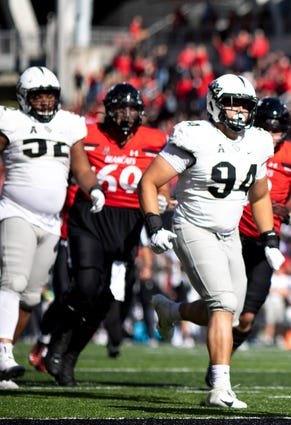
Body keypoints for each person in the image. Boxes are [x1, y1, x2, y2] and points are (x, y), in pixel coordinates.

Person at [138, 74, 286, 409]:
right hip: (193, 228)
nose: (238, 111)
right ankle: (219, 387)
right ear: (215, 103)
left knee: (230, 315)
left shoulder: (258, 142)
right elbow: (149, 181)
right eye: (232, 102)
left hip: (229, 233)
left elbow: (260, 196)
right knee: (223, 303)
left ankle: (171, 310)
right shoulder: (195, 136)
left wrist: (270, 239)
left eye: (244, 105)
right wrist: (154, 224)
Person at [151, 96, 291, 356]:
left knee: (244, 317)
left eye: (277, 130)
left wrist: (285, 218)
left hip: (264, 242)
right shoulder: (236, 143)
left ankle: (177, 314)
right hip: (231, 234)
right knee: (222, 304)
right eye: (266, 128)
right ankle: (219, 370)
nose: (272, 136)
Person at [42, 83, 168, 386]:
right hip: (90, 217)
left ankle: (70, 355)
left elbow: (164, 174)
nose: (126, 115)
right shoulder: (86, 132)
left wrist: (161, 196)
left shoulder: (155, 139)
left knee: (107, 299)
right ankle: (57, 335)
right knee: (86, 285)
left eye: (132, 109)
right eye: (120, 108)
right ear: (108, 110)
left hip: (128, 224)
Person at [0, 66, 103, 388]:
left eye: (50, 96)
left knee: (31, 298)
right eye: (38, 96)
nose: (45, 102)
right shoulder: (12, 121)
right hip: (16, 211)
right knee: (13, 280)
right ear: (24, 97)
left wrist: (94, 188)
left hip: (50, 221)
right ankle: (2, 351)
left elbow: (81, 166)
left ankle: (5, 358)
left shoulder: (69, 124)